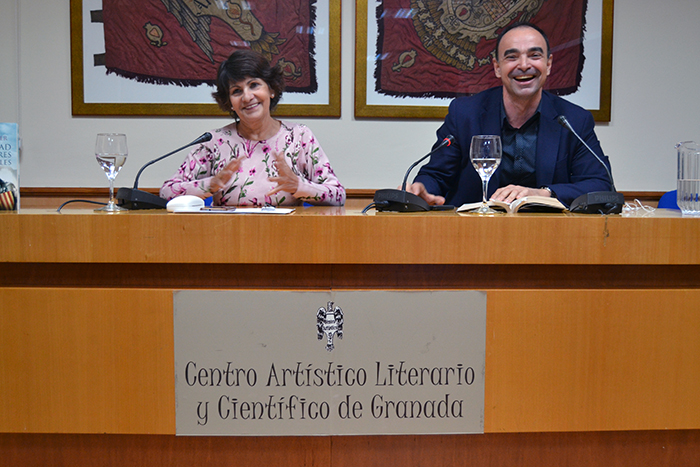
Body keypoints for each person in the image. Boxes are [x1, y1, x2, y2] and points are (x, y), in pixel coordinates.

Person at [407, 22, 613, 208]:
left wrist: (543, 194)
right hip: (473, 234)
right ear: (497, 67)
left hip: (550, 236)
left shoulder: (574, 120)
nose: (524, 65)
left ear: (548, 64)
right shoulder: (465, 114)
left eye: (534, 55)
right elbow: (437, 174)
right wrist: (422, 190)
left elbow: (600, 185)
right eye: (512, 57)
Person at [160, 50, 345, 206]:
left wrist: (298, 186)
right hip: (226, 239)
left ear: (271, 89)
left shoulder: (299, 136)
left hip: (289, 239)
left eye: (254, 85)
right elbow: (166, 193)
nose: (247, 97)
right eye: (236, 91)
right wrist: (212, 184)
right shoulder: (214, 142)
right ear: (230, 103)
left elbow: (338, 195)